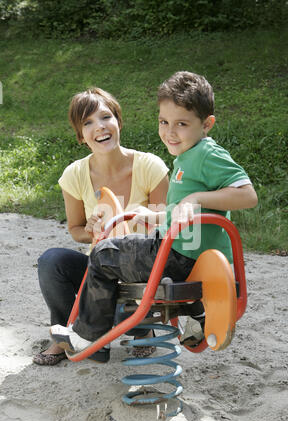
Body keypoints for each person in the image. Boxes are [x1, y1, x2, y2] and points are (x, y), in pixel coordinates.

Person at [49, 71, 258, 359]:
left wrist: (196, 198)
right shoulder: (188, 155)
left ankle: (87, 336)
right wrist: (152, 214)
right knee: (113, 250)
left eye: (181, 124)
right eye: (164, 122)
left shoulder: (208, 155)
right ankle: (195, 318)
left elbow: (248, 195)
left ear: (206, 124)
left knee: (103, 254)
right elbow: (181, 215)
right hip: (183, 251)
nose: (170, 132)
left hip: (178, 256)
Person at [33, 87, 169, 366]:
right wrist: (92, 230)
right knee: (51, 261)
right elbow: (76, 229)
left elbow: (166, 225)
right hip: (100, 273)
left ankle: (141, 328)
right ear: (81, 136)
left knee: (134, 277)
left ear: (118, 121)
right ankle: (65, 337)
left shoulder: (149, 166)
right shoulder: (74, 175)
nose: (99, 127)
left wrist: (142, 217)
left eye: (106, 117)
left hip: (142, 273)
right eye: (88, 122)